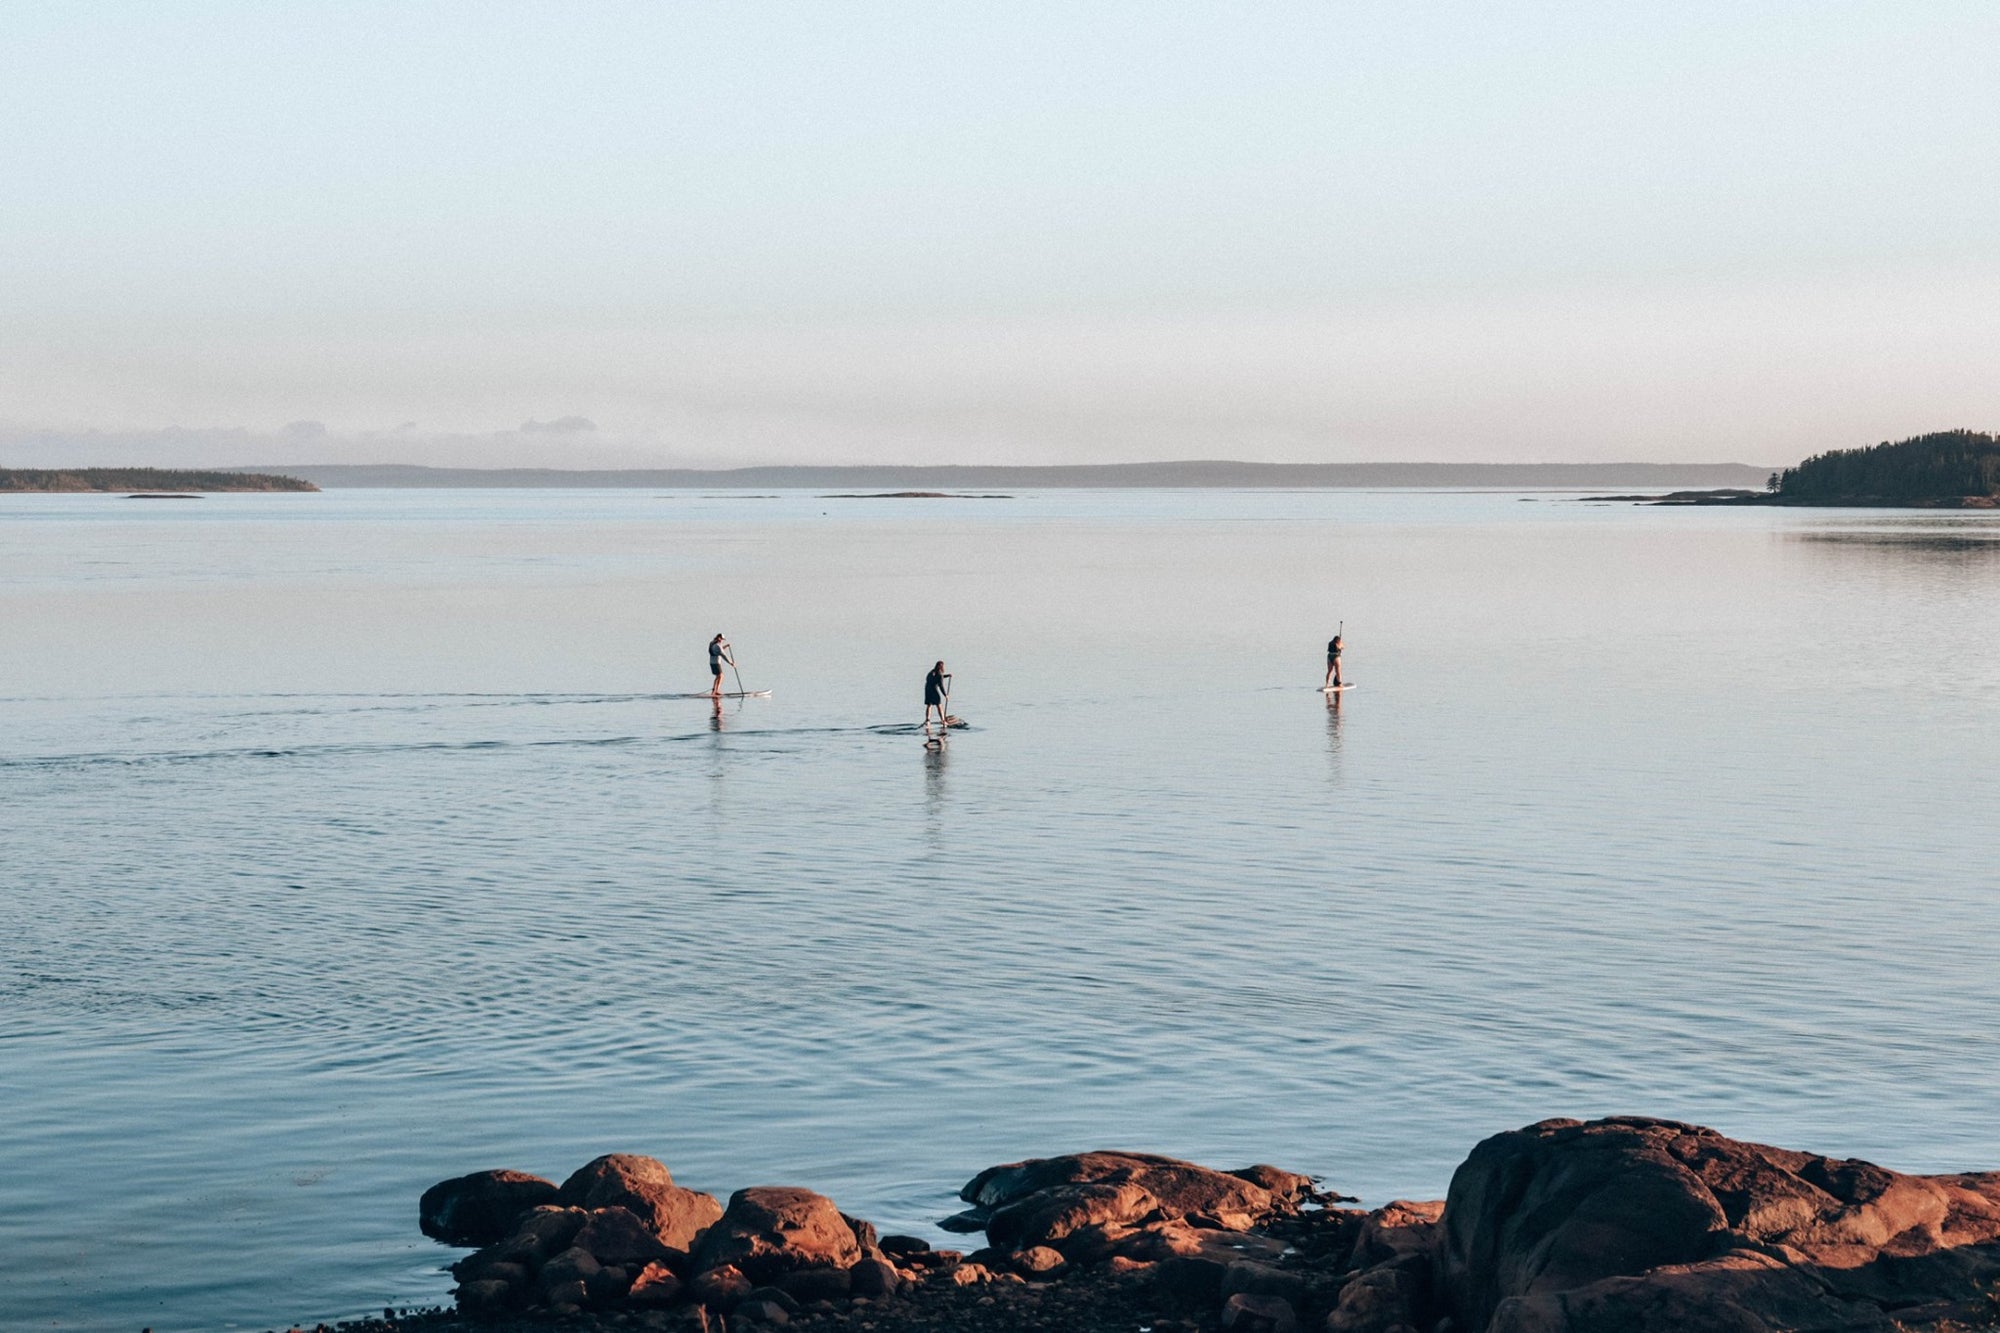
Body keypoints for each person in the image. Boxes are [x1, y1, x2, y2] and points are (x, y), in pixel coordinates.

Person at [924, 660, 952, 727]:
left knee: (929, 705)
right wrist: (945, 695)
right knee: (939, 705)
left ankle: (927, 720)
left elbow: (939, 677)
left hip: (927, 690)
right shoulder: (939, 674)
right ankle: (943, 721)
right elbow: (941, 686)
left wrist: (947, 675)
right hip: (934, 690)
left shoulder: (932, 672)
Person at [708, 633, 733, 698]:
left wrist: (726, 646)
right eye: (721, 639)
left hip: (712, 662)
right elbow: (723, 655)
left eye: (722, 639)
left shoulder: (712, 643)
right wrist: (731, 663)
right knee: (721, 676)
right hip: (716, 663)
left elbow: (719, 650)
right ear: (719, 638)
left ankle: (714, 691)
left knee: (718, 676)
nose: (722, 640)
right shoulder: (717, 645)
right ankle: (716, 691)